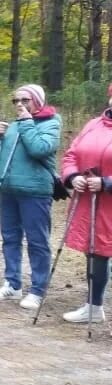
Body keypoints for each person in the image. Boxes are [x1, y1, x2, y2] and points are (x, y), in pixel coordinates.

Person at [0, 84, 61, 311]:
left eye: (25, 100)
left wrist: (27, 123)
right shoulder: (13, 125)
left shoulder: (51, 122)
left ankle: (38, 289)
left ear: (37, 101)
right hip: (8, 190)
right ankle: (12, 283)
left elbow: (41, 149)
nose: (19, 104)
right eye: (16, 101)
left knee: (37, 241)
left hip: (35, 191)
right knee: (10, 238)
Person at [57, 84, 112, 324]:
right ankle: (94, 305)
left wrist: (107, 183)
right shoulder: (92, 125)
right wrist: (73, 177)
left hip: (107, 199)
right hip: (90, 201)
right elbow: (71, 154)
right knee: (95, 251)